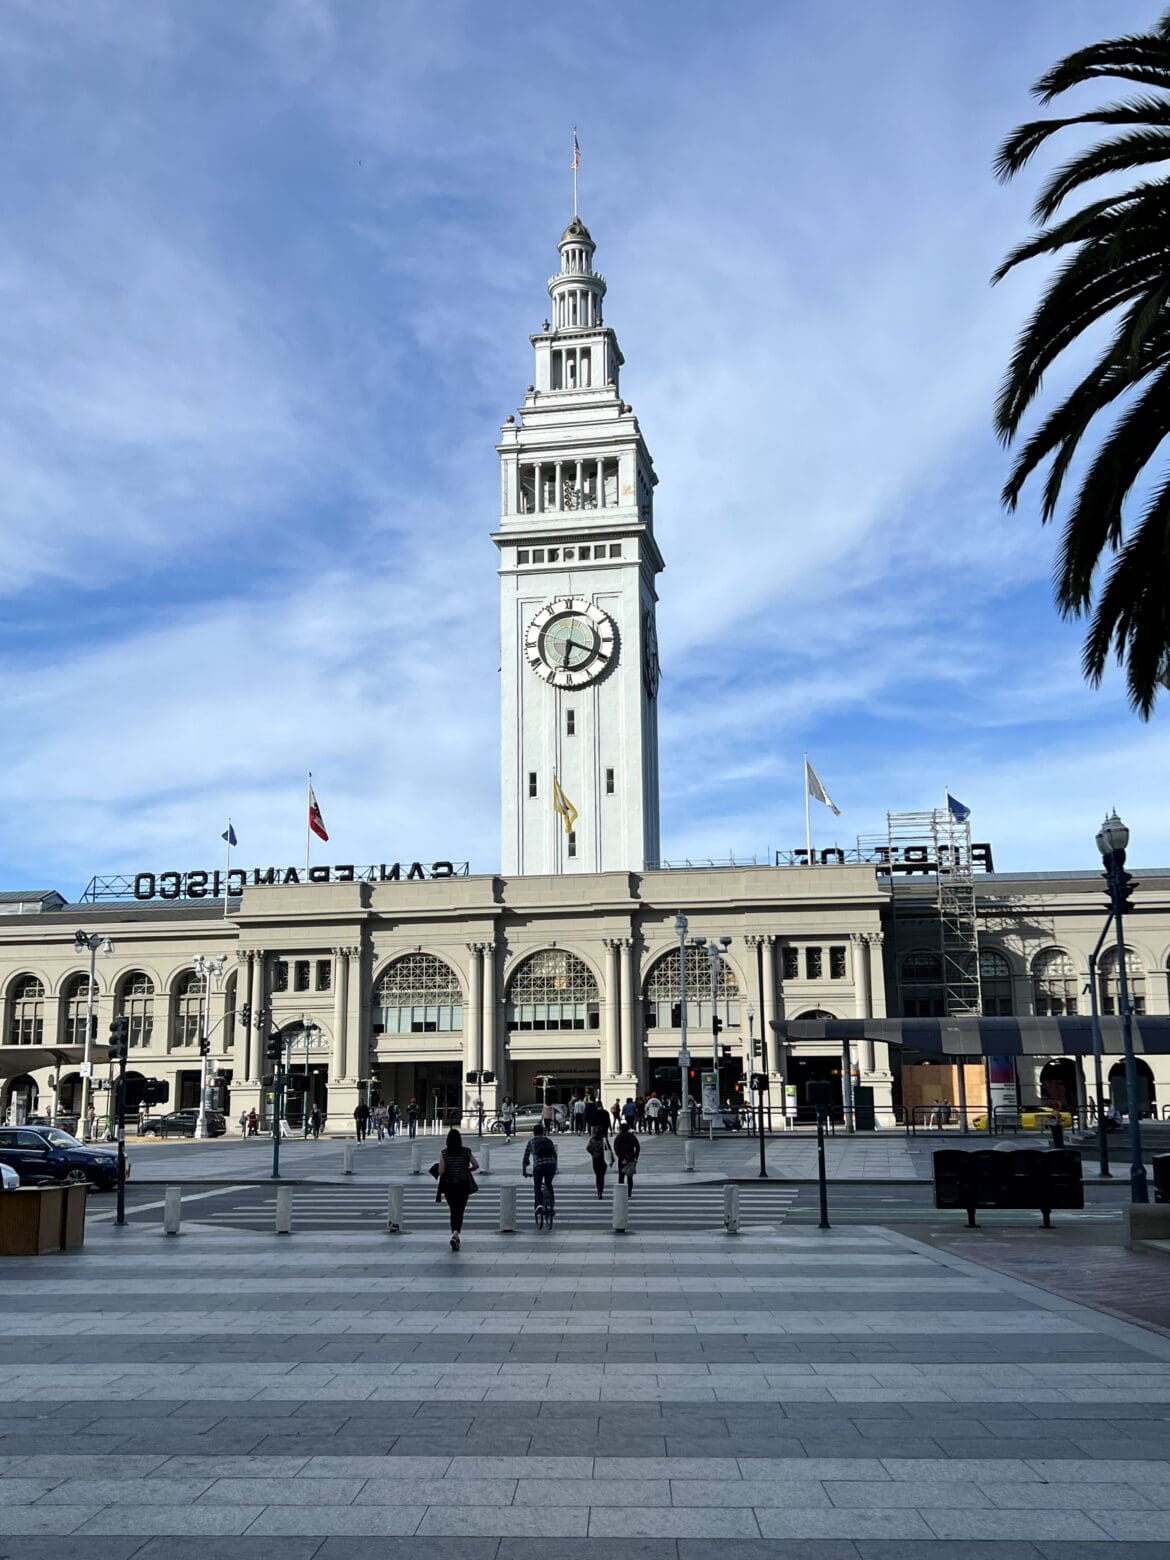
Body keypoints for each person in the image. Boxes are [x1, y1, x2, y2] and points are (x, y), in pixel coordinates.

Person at [437, 1127, 479, 1251]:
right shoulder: (466, 1151)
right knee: (460, 1210)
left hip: (450, 1185)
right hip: (463, 1184)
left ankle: (455, 1233)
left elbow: (441, 1171)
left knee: (453, 1210)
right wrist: (468, 1170)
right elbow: (476, 1165)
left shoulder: (444, 1153)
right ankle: (456, 1234)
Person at [522, 1120, 558, 1218]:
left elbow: (526, 1157)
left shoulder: (531, 1142)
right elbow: (554, 1154)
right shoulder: (548, 1140)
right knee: (548, 1183)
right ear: (543, 1132)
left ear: (533, 1133)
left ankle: (539, 1205)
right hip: (550, 1166)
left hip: (538, 1167)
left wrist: (524, 1170)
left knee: (537, 1186)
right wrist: (555, 1166)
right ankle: (551, 1206)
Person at [586, 1120, 614, 1199]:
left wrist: (593, 1153)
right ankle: (601, 1191)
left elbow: (588, 1148)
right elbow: (609, 1149)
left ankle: (598, 1191)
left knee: (597, 1175)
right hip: (603, 1159)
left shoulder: (592, 1140)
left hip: (595, 1159)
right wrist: (611, 1158)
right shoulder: (604, 1140)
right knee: (602, 1175)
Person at [614, 1119, 640, 1197]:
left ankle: (621, 1193)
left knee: (621, 1176)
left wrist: (620, 1156)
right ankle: (629, 1193)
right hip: (631, 1157)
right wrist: (636, 1156)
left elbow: (616, 1148)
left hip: (622, 1158)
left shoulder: (619, 1137)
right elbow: (637, 1147)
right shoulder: (632, 1136)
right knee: (630, 1177)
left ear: (621, 1129)